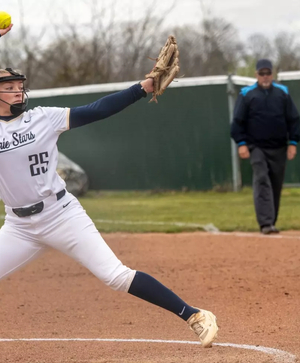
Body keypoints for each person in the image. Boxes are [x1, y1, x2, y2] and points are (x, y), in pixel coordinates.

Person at [0, 62, 218, 345]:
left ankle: (195, 316)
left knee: (116, 276)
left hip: (60, 215)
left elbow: (96, 110)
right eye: (9, 88)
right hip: (19, 226)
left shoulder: (43, 118)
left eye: (20, 87)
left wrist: (142, 88)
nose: (18, 92)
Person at [231, 58, 300, 234]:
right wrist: (241, 143)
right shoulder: (247, 94)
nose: (265, 76)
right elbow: (237, 122)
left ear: (272, 74)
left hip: (279, 147)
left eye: (268, 73)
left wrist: (293, 142)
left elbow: (293, 120)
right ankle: (265, 223)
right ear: (256, 75)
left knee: (276, 185)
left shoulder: (282, 93)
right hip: (256, 147)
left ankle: (271, 222)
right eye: (261, 73)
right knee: (262, 180)